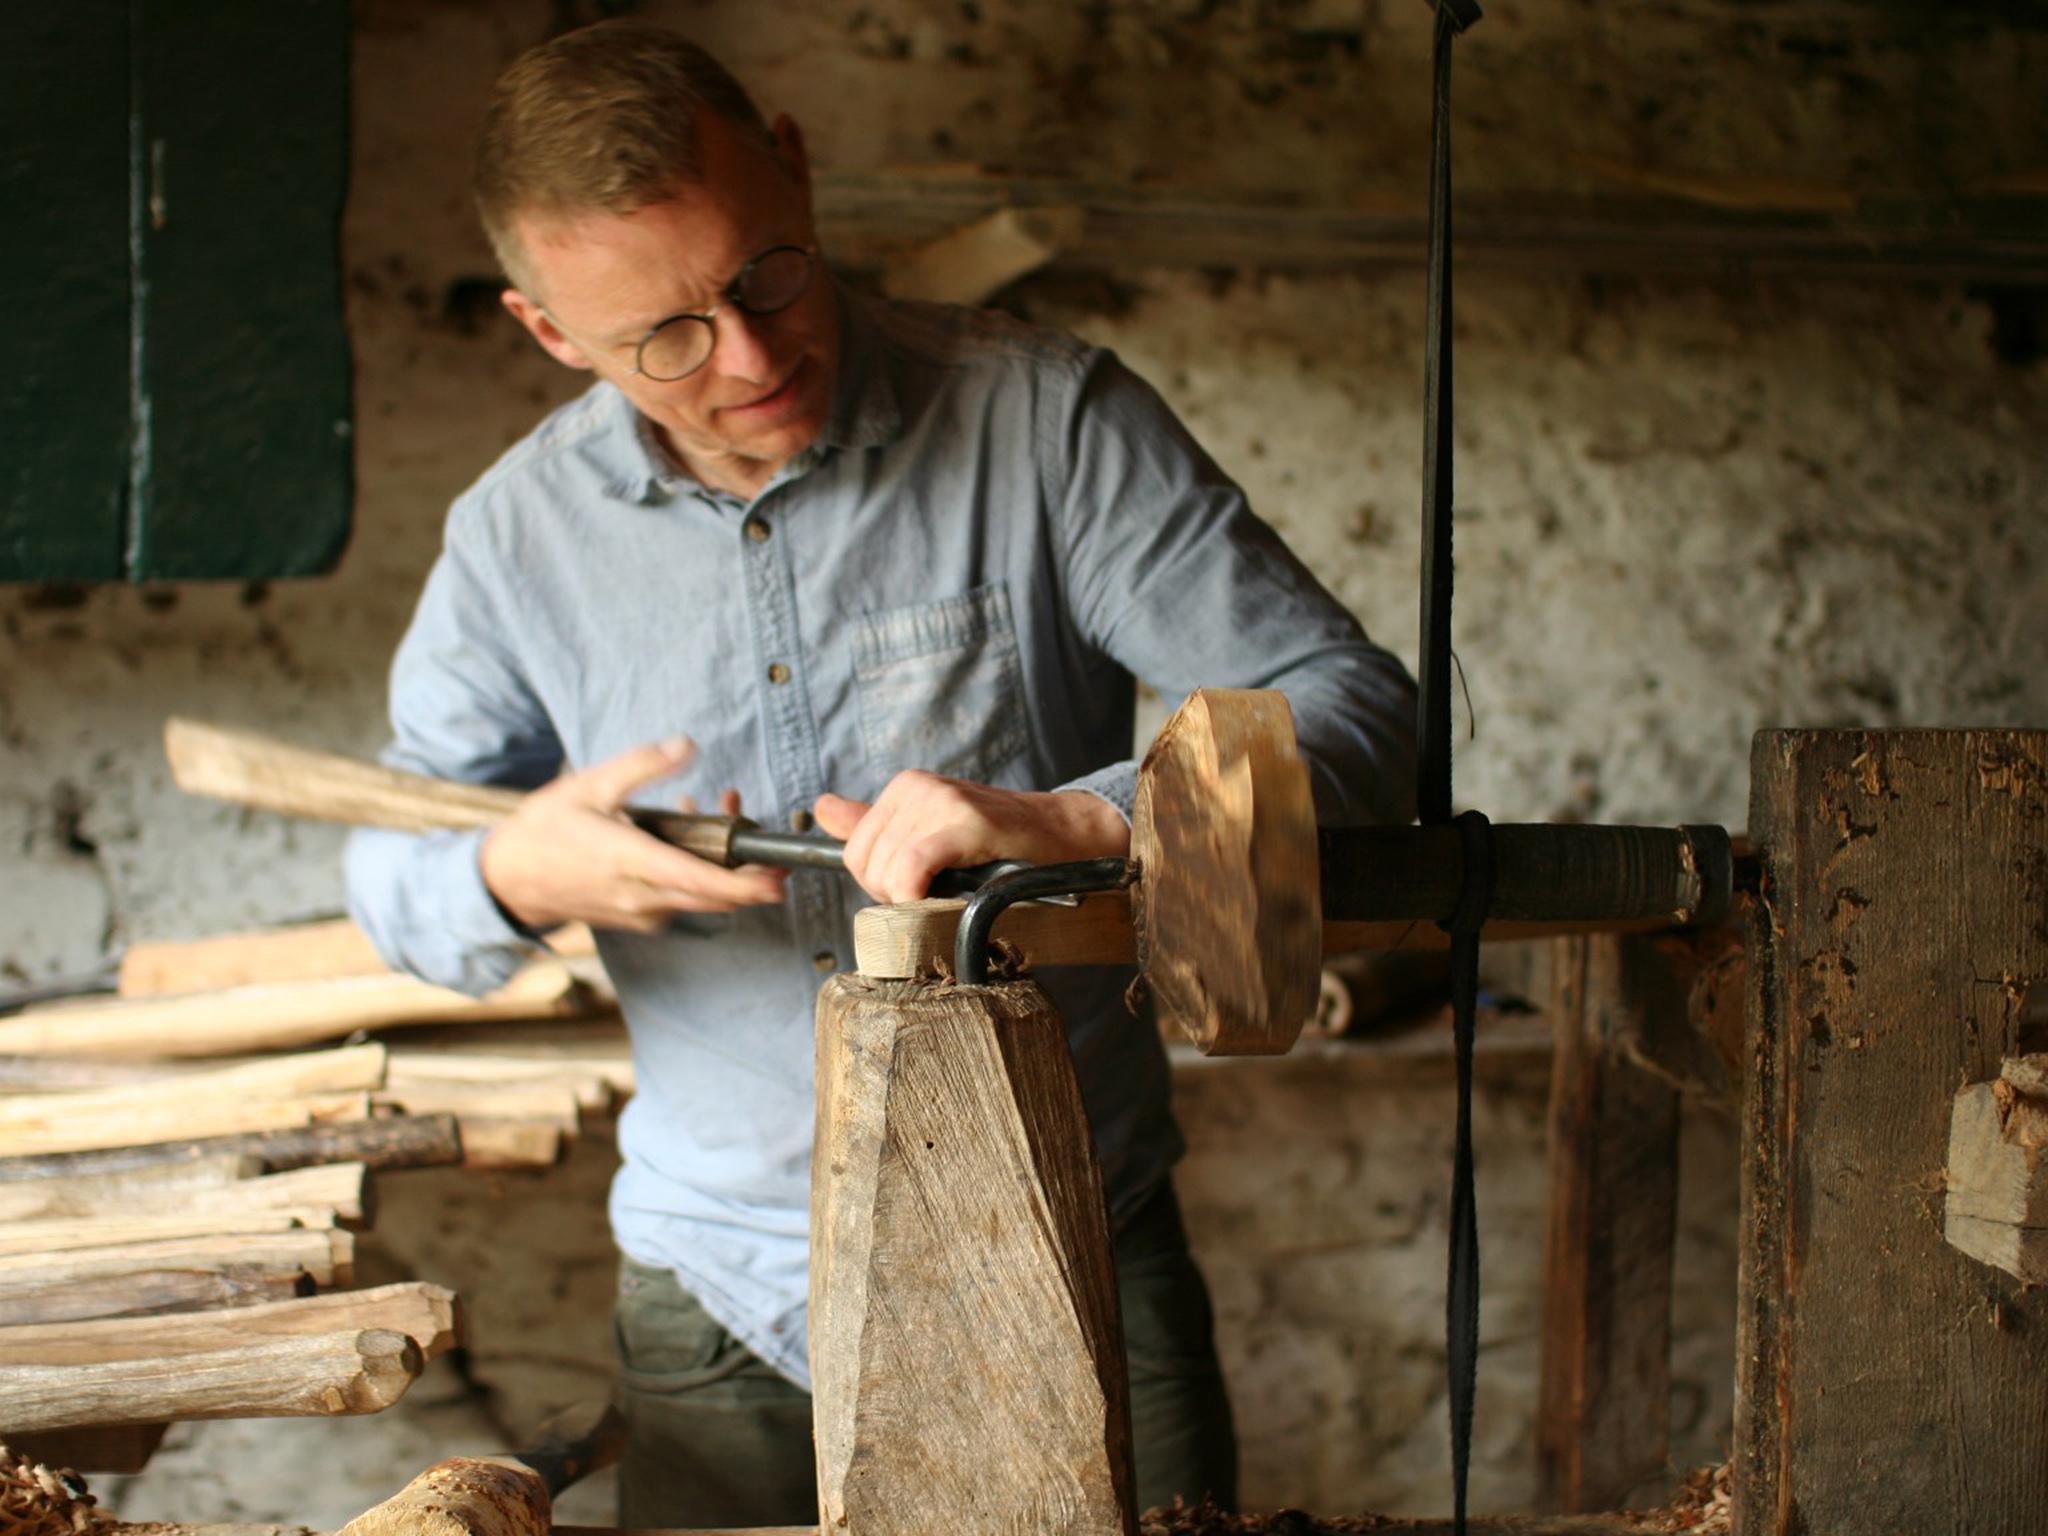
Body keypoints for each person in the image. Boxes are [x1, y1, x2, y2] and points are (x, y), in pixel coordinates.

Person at [347, 20, 1417, 1528]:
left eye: (765, 270)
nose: (754, 355)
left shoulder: (1045, 423)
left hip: (1071, 1238)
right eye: (662, 337)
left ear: (791, 166)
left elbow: (1359, 708)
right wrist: (512, 873)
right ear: (547, 331)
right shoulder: (517, 538)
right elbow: (391, 865)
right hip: (721, 1292)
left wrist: (1090, 817)